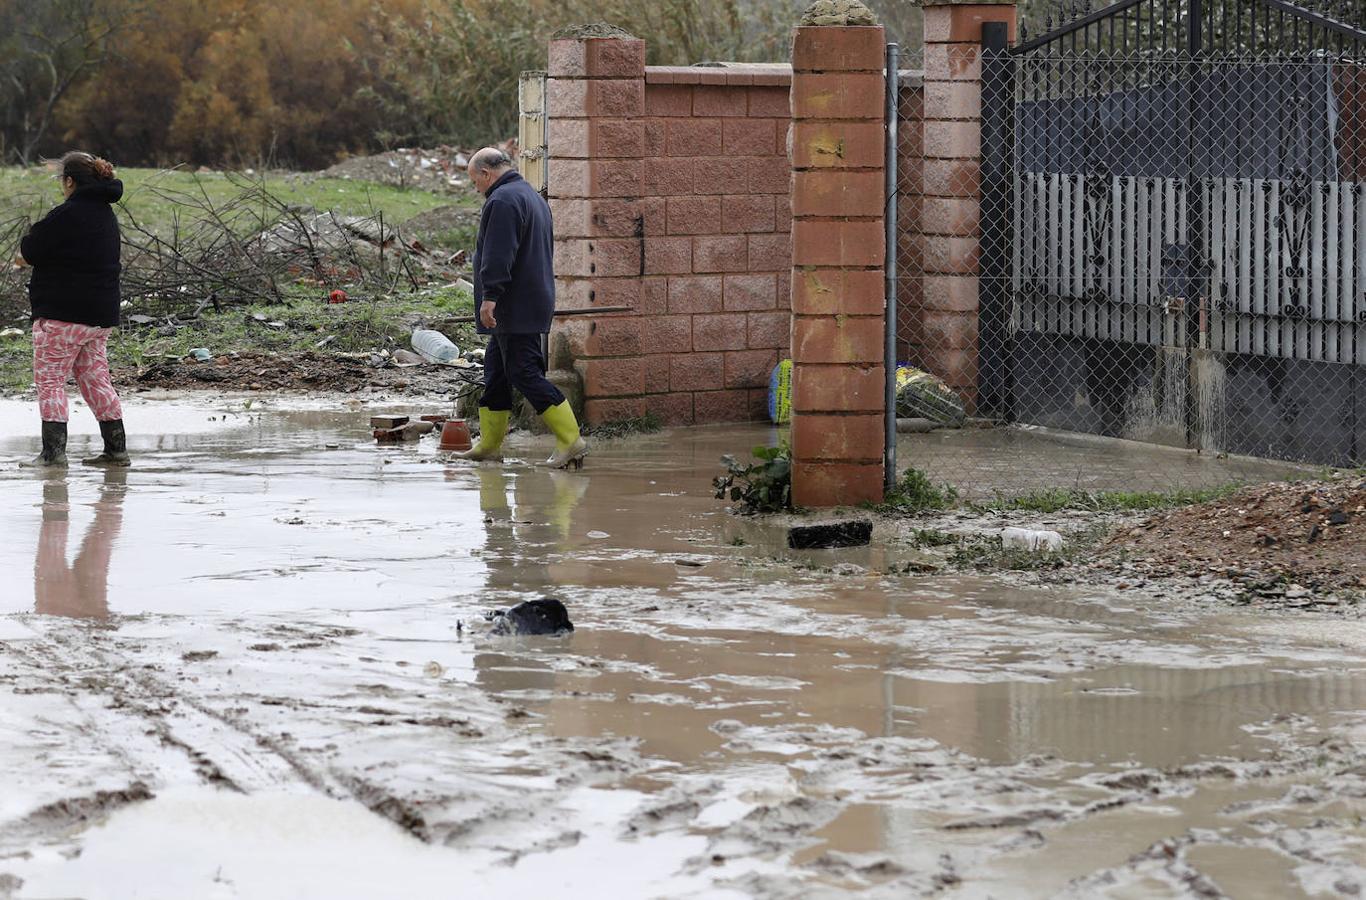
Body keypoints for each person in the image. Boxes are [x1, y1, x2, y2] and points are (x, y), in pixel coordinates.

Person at [454, 147, 589, 470]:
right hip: (530, 300)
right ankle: (489, 445)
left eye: (476, 182)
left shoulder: (501, 201)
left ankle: (571, 441)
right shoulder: (531, 196)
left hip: (513, 306)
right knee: (496, 373)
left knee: (524, 372)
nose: (476, 189)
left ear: (487, 174)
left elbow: (498, 256)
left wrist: (490, 297)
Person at [14, 151, 129, 468]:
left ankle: (53, 454)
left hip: (63, 316)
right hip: (99, 317)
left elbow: (31, 249)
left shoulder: (66, 214)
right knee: (96, 381)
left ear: (70, 181)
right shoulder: (106, 214)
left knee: (49, 382)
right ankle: (116, 450)